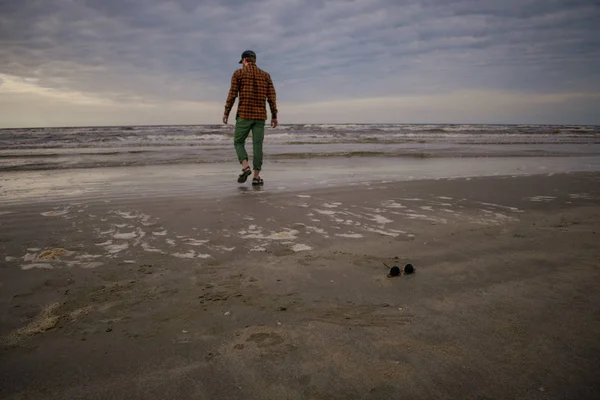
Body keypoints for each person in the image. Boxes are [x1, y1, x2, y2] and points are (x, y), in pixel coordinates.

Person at [223, 50, 278, 186]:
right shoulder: (265, 75)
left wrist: (226, 112)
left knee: (238, 142)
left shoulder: (239, 73)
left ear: (245, 60)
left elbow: (232, 94)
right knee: (257, 145)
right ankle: (256, 177)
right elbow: (271, 97)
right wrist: (274, 116)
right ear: (254, 60)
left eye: (242, 62)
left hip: (244, 115)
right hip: (260, 117)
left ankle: (245, 167)